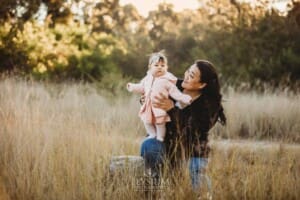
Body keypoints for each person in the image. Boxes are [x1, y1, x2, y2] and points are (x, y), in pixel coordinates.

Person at [140, 60, 226, 192]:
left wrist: (171, 109)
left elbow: (193, 130)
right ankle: (156, 189)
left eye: (191, 76)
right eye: (187, 71)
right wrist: (147, 99)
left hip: (192, 151)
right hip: (167, 145)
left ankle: (201, 194)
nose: (186, 76)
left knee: (196, 178)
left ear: (202, 84)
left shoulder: (209, 105)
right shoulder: (173, 85)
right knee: (149, 145)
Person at [127, 51, 192, 142]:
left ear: (167, 67)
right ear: (150, 67)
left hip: (159, 106)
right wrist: (133, 87)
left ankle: (160, 137)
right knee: (146, 121)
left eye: (162, 65)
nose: (159, 68)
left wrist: (184, 98)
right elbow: (142, 87)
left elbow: (175, 92)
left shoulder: (167, 80)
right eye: (156, 65)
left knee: (160, 122)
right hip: (149, 106)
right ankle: (152, 134)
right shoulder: (147, 79)